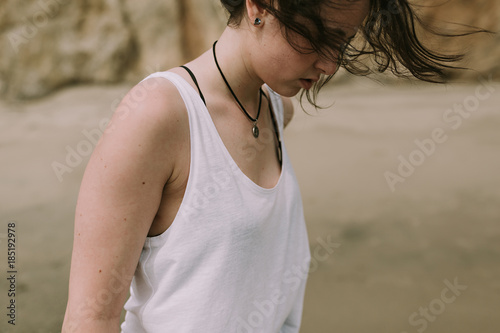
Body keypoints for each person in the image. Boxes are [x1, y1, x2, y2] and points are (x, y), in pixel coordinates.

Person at [62, 0, 476, 332]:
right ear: (259, 7)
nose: (331, 64)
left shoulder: (276, 111)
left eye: (343, 41)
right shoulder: (158, 115)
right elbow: (89, 318)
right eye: (321, 37)